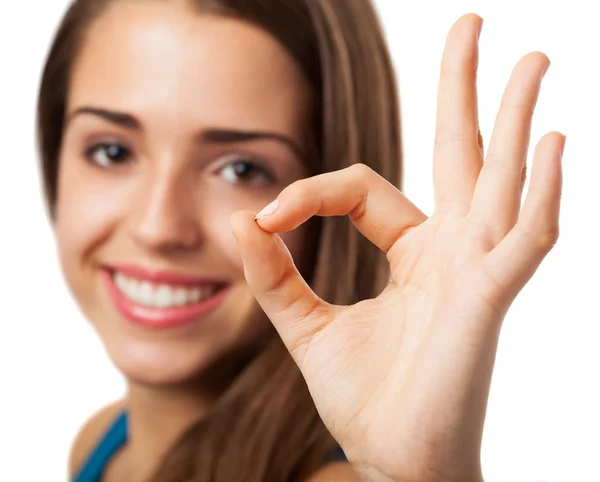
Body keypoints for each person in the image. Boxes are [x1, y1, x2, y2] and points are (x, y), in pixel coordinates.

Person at [37, 0, 564, 480]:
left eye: (241, 168)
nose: (158, 228)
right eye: (111, 152)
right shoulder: (102, 445)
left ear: (330, 206)